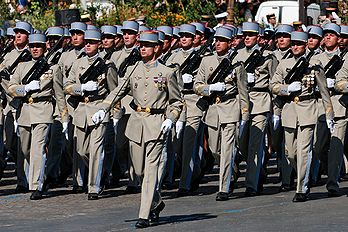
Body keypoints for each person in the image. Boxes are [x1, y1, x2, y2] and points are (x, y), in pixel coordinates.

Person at [92, 30, 183, 228]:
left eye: (147, 45)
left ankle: (144, 215)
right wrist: (103, 107)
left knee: (151, 172)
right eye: (141, 45)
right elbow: (118, 90)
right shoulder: (133, 69)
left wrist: (171, 118)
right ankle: (156, 202)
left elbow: (176, 101)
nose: (142, 48)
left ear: (156, 48)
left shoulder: (167, 72)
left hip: (156, 122)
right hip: (136, 123)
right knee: (139, 172)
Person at [271, 31, 334, 202]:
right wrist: (286, 88)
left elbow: (323, 91)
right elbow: (273, 86)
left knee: (304, 150)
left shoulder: (314, 63)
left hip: (308, 109)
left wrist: (329, 114)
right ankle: (301, 174)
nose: (295, 47)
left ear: (305, 45)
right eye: (293, 44)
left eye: (298, 44)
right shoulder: (284, 64)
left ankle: (302, 188)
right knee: (290, 153)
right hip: (290, 109)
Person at [194, 26, 249, 201]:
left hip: (230, 108)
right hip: (212, 111)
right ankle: (232, 169)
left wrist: (244, 115)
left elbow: (243, 91)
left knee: (227, 150)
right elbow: (197, 85)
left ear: (230, 43)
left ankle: (224, 188)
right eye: (216, 41)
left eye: (221, 41)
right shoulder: (206, 61)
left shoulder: (237, 63)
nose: (217, 43)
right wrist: (209, 88)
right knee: (215, 150)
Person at [64, 29, 118, 200]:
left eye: (92, 42)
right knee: (81, 151)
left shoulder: (107, 65)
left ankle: (94, 186)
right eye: (86, 42)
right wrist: (81, 89)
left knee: (96, 150)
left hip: (98, 109)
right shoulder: (77, 63)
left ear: (99, 44)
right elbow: (67, 85)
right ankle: (100, 173)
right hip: (81, 110)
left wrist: (109, 111)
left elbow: (115, 90)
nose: (87, 45)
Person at [8, 33, 57, 200]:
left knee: (38, 149)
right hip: (25, 111)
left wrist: (63, 116)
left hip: (43, 110)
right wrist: (26, 88)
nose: (35, 49)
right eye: (33, 46)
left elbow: (59, 93)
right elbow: (11, 87)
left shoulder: (52, 68)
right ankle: (29, 179)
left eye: (38, 46)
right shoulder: (22, 66)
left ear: (44, 48)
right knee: (25, 149)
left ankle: (37, 185)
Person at [237, 22, 277, 196]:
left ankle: (251, 184)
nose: (247, 37)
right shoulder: (236, 55)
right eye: (245, 34)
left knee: (255, 144)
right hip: (240, 103)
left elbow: (275, 82)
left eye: (251, 35)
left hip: (260, 102)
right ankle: (258, 169)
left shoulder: (268, 57)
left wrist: (276, 109)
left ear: (259, 38)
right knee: (241, 144)